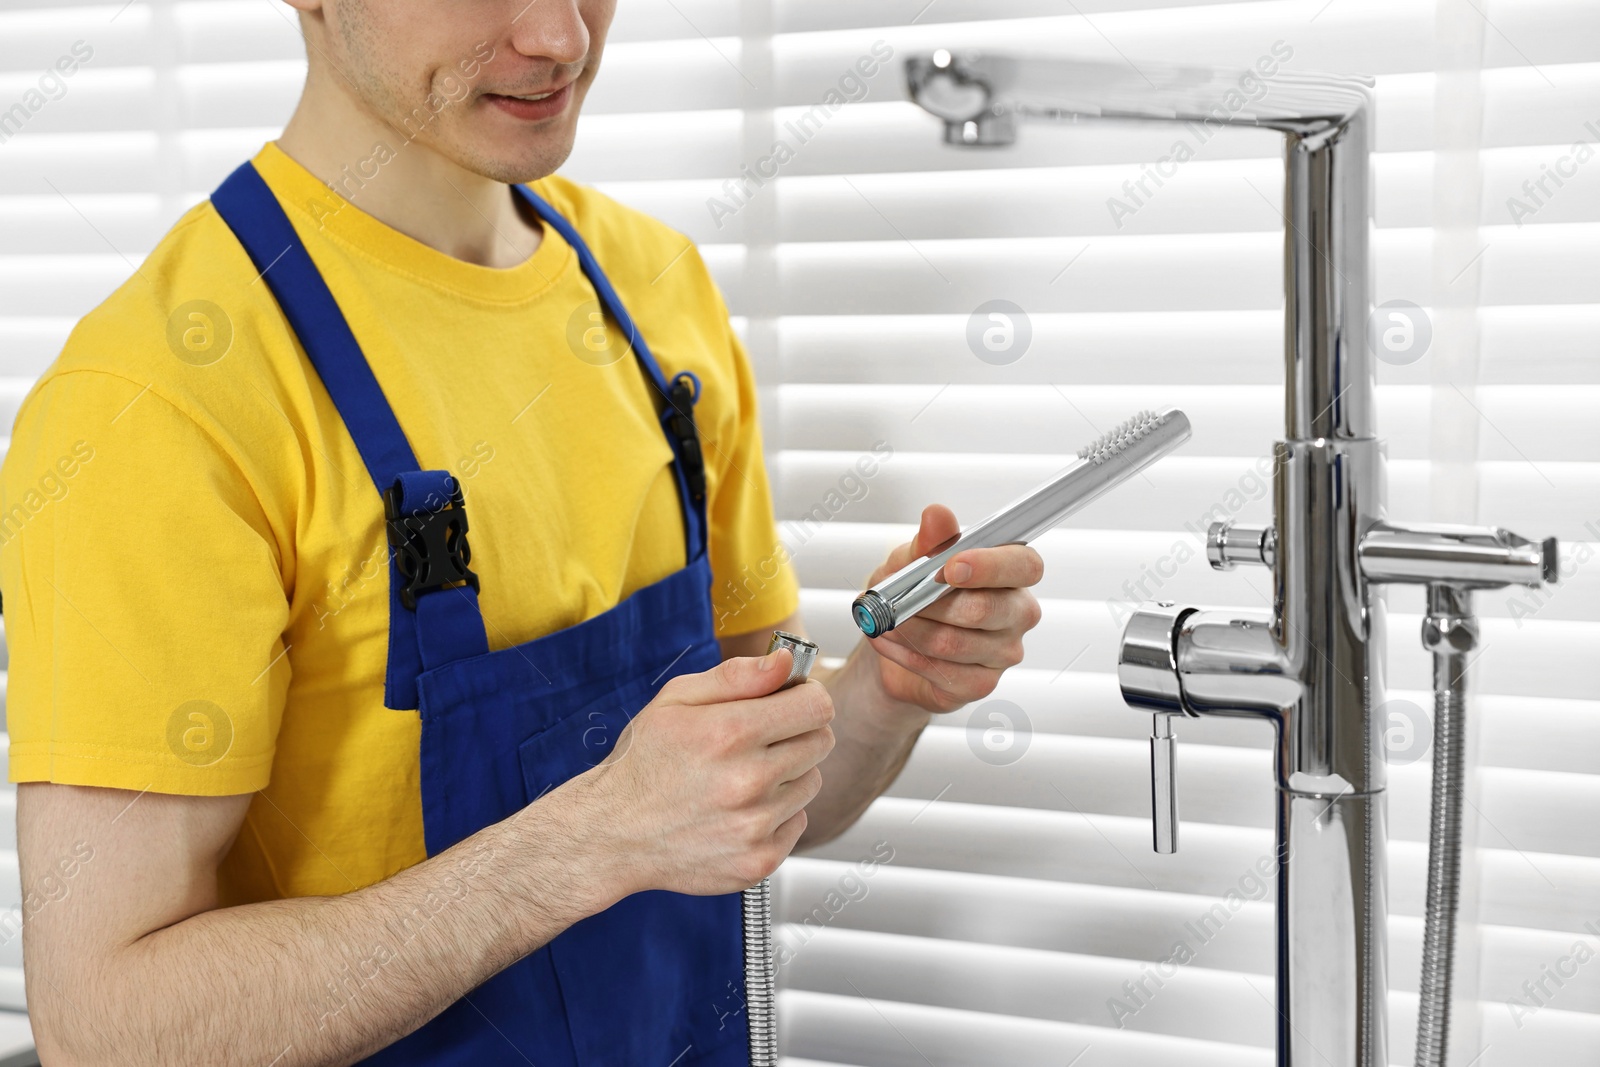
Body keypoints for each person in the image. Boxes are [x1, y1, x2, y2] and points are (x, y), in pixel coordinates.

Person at [0, 1, 1043, 1064]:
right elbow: (109, 1025)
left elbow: (752, 794)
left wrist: (882, 692)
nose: (561, 37)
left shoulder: (653, 296)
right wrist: (589, 840)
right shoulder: (159, 404)